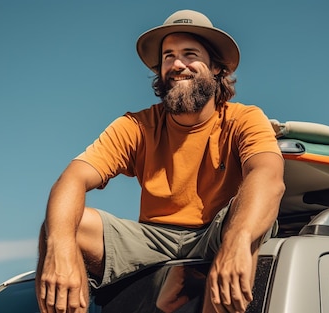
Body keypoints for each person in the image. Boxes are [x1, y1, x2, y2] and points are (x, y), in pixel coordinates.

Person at [35, 9, 285, 313]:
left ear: (217, 68)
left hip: (216, 231)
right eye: (168, 56)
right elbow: (72, 178)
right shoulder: (138, 126)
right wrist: (59, 247)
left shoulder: (243, 118)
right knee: (60, 226)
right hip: (152, 238)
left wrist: (238, 241)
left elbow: (267, 175)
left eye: (189, 54)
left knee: (247, 218)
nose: (177, 64)